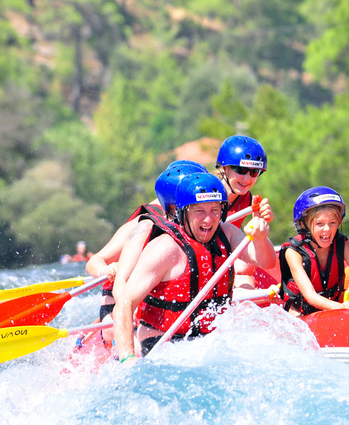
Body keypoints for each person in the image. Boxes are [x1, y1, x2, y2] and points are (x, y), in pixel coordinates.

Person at [113, 173, 274, 364]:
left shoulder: (228, 234)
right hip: (163, 342)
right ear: (183, 213)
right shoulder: (165, 248)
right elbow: (124, 304)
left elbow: (266, 261)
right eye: (199, 211)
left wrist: (261, 237)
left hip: (209, 342)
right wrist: (127, 359)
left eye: (214, 210)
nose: (208, 220)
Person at [85, 161, 207, 344]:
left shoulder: (200, 225)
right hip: (119, 296)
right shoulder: (145, 225)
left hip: (152, 297)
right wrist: (106, 271)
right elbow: (96, 263)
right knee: (113, 332)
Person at [279, 187, 349, 315]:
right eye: (319, 224)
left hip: (333, 308)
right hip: (301, 313)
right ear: (303, 224)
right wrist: (341, 307)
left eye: (332, 222)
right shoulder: (293, 252)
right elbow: (310, 296)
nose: (327, 229)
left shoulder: (344, 244)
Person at [215, 135, 275, 288]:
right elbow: (151, 210)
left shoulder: (246, 200)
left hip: (218, 263)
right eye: (241, 170)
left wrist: (260, 232)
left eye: (254, 172)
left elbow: (266, 262)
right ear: (224, 168)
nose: (247, 179)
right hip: (194, 263)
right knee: (242, 268)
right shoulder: (204, 190)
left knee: (244, 269)